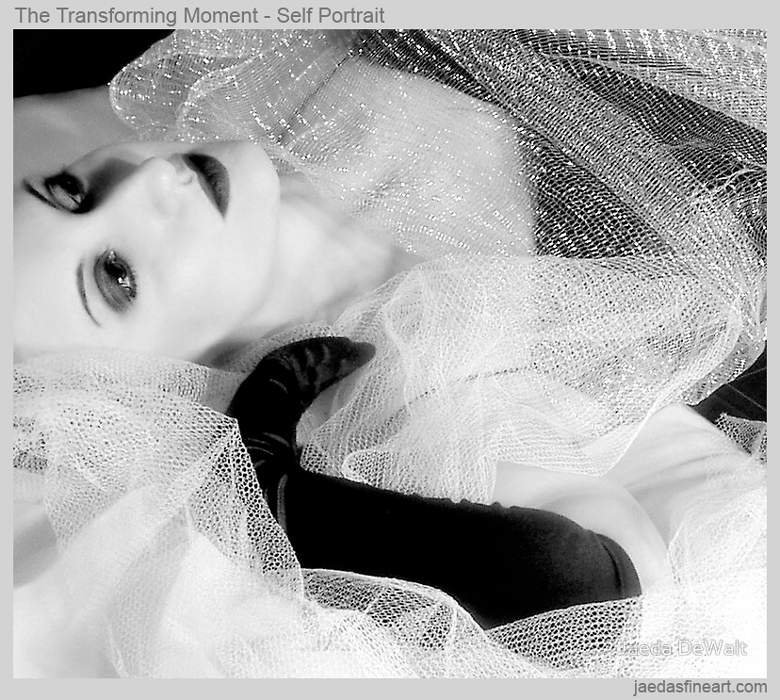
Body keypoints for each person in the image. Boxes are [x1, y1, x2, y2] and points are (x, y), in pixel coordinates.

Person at [13, 29, 766, 678]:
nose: (148, 178)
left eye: (68, 190)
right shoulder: (392, 408)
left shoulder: (273, 96)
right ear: (137, 380)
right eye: (116, 277)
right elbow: (592, 605)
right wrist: (276, 490)